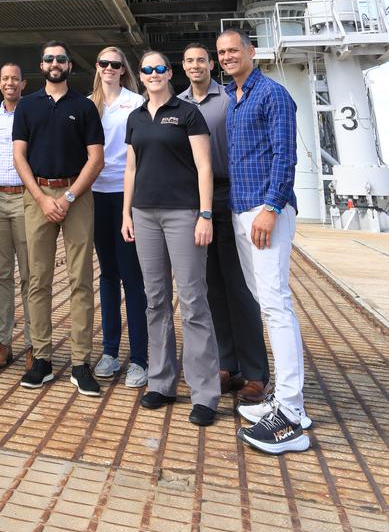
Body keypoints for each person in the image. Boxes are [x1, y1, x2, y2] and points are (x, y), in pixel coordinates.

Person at [216, 29, 312, 455]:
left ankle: (291, 411)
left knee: (275, 303)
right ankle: (283, 400)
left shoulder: (271, 94)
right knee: (263, 298)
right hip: (241, 210)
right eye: (222, 52)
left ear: (251, 52)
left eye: (233, 50)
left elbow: (284, 154)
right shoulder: (235, 99)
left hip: (264, 210)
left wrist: (272, 208)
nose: (227, 57)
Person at [122, 51, 219, 427]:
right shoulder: (135, 117)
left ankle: (205, 393)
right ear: (142, 77)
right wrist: (125, 213)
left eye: (160, 68)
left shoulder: (187, 113)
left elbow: (204, 166)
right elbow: (131, 168)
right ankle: (161, 382)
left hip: (183, 214)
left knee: (194, 301)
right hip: (144, 215)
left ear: (169, 73)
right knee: (155, 300)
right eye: (146, 69)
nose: (153, 74)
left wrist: (205, 214)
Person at [178, 43, 270, 403]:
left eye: (202, 59)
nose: (196, 65)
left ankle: (256, 372)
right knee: (211, 285)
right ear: (182, 67)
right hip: (196, 200)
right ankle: (226, 363)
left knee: (240, 286)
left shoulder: (228, 97)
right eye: (189, 60)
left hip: (231, 193)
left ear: (210, 64)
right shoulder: (180, 104)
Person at [12, 40, 104, 397]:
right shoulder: (27, 106)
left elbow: (95, 159)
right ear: (42, 64)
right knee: (38, 279)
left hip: (75, 196)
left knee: (80, 279)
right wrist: (41, 197)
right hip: (38, 197)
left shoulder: (83, 106)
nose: (55, 63)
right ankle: (43, 358)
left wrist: (66, 197)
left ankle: (81, 362)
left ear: (69, 65)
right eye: (49, 58)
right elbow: (19, 156)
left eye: (61, 59)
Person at [89, 45, 148, 388]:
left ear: (123, 69)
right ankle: (110, 351)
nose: (108, 68)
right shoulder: (88, 103)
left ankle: (140, 357)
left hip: (127, 197)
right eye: (103, 63)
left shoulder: (135, 103)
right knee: (108, 275)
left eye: (115, 64)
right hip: (95, 196)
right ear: (97, 67)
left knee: (132, 276)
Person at [0, 62, 32, 370]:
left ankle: (32, 345)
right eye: (6, 79)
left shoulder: (33, 114)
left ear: (23, 84)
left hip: (26, 199)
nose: (11, 83)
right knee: (2, 276)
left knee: (30, 276)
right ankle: (3, 343)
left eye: (16, 78)